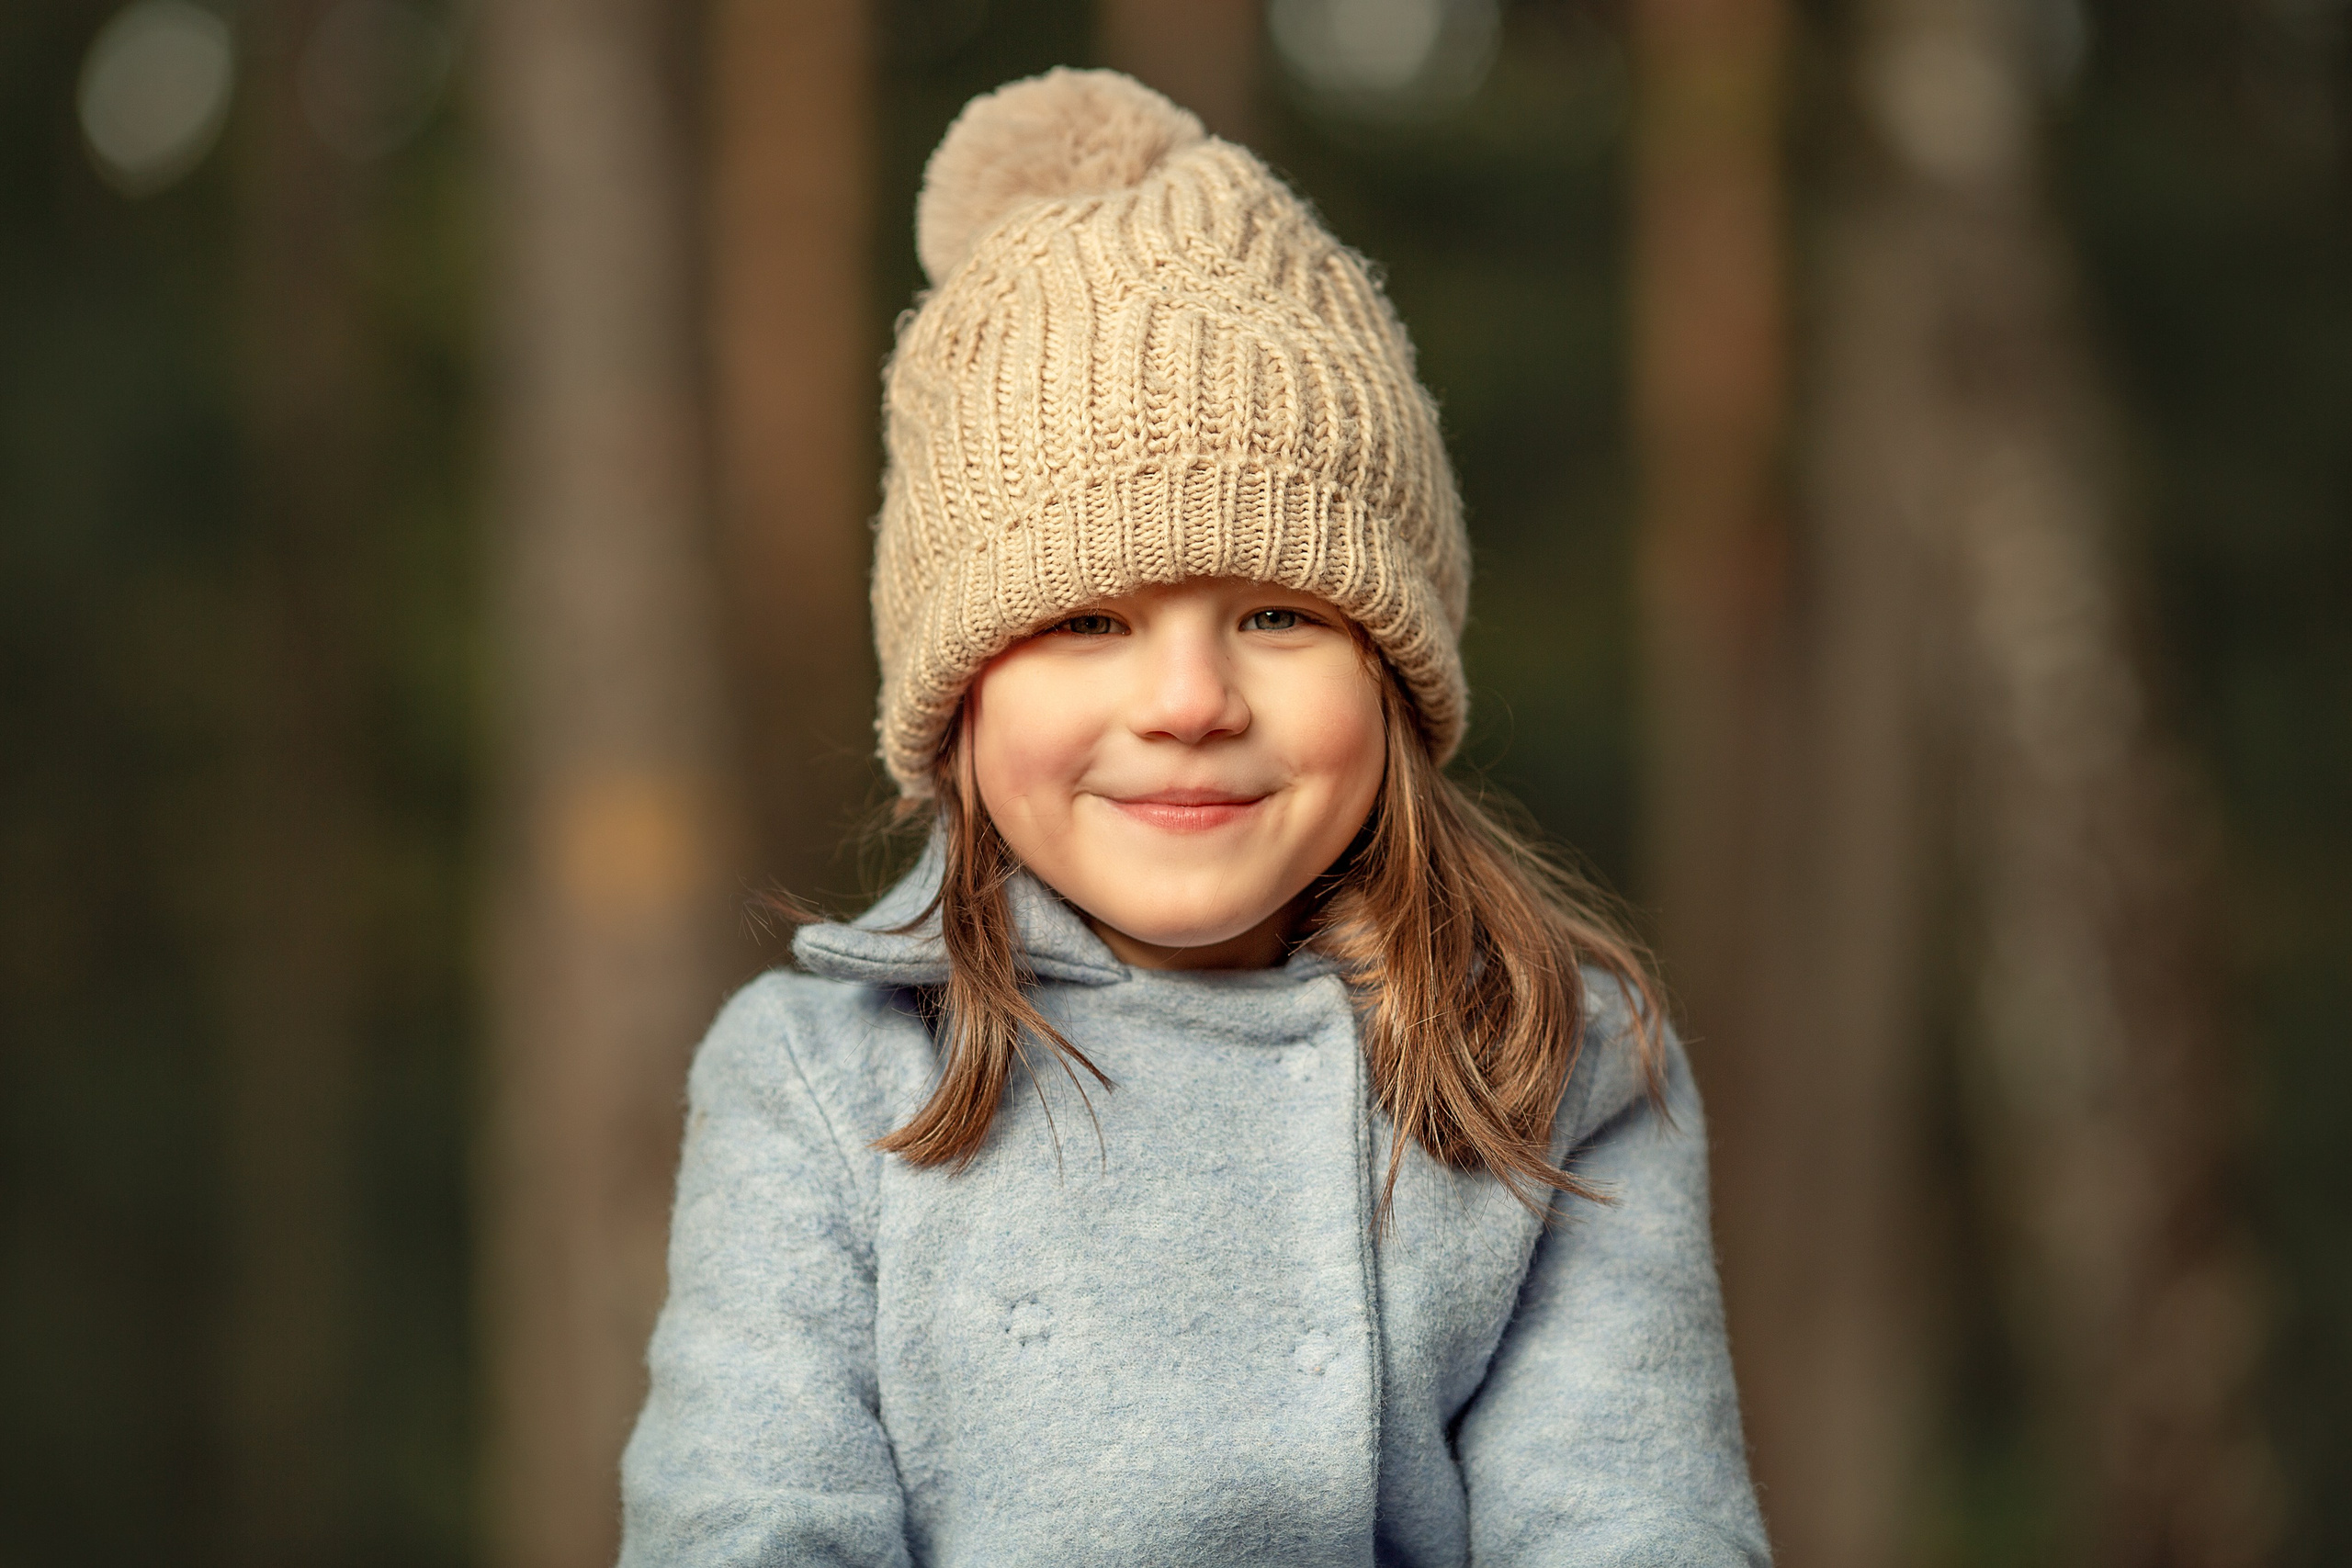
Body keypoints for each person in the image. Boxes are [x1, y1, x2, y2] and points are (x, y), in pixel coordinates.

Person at [617, 67, 1769, 1567]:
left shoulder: (1553, 1060)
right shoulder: (820, 1083)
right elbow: (753, 1529)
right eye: (1089, 620)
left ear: (1399, 672)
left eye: (1279, 612)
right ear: (956, 698)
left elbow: (1632, 1526)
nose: (1189, 699)